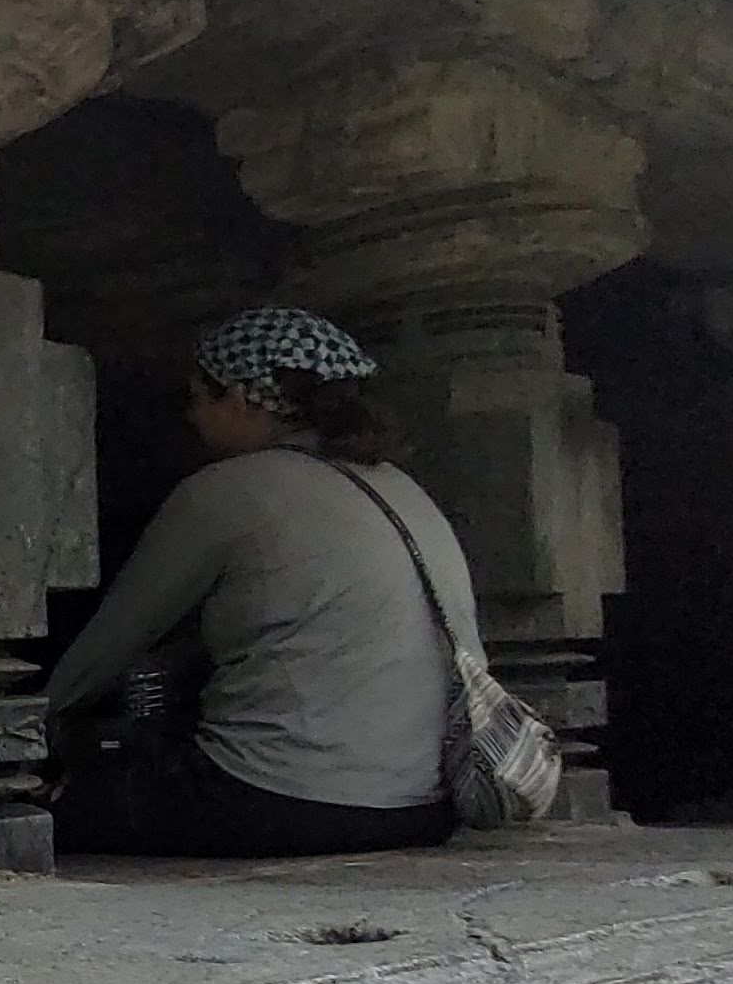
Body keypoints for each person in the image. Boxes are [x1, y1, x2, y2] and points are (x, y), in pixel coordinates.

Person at [39, 307, 472, 858]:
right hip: (422, 810)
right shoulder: (405, 490)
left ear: (242, 399)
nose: (192, 420)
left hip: (274, 802)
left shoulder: (225, 489)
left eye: (198, 399)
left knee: (43, 811)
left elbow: (112, 646)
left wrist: (26, 726)